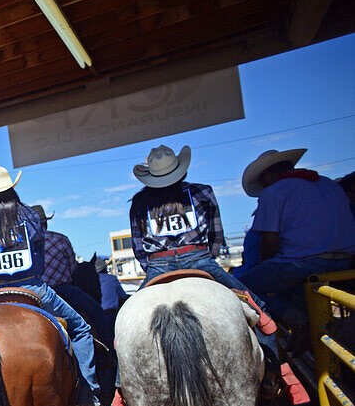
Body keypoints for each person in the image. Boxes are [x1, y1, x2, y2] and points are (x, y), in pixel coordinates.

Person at [128, 144, 284, 390]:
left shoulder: (139, 202)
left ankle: (121, 389)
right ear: (180, 170)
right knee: (258, 309)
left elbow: (139, 250)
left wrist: (157, 265)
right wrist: (204, 259)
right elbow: (216, 235)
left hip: (158, 265)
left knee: (125, 329)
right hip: (199, 259)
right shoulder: (203, 192)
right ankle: (274, 373)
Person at [0, 165, 103, 406]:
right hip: (32, 286)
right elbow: (39, 258)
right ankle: (88, 395)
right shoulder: (30, 215)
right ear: (11, 189)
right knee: (80, 328)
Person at [237, 148, 355, 327]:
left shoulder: (274, 193)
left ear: (268, 176)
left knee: (242, 288)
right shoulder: (330, 185)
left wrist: (262, 264)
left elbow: (269, 244)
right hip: (345, 262)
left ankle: (300, 323)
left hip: (301, 265)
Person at [38, 205, 111, 343]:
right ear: (46, 222)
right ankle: (109, 354)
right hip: (63, 290)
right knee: (96, 312)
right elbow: (72, 268)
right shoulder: (60, 239)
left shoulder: (27, 243)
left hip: (36, 293)